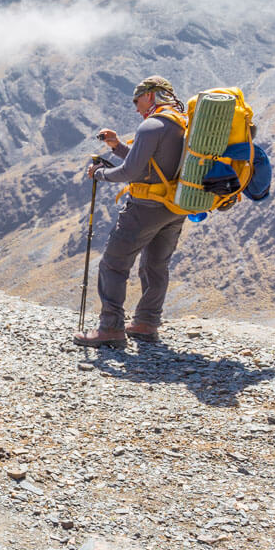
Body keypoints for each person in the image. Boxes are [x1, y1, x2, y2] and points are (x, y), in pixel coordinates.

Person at [74, 76, 188, 348]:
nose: (136, 108)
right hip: (176, 206)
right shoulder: (182, 124)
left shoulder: (151, 126)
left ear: (150, 95)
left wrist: (100, 173)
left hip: (147, 207)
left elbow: (132, 172)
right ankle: (147, 323)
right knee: (155, 265)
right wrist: (116, 146)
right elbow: (153, 164)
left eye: (137, 101)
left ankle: (111, 328)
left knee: (113, 263)